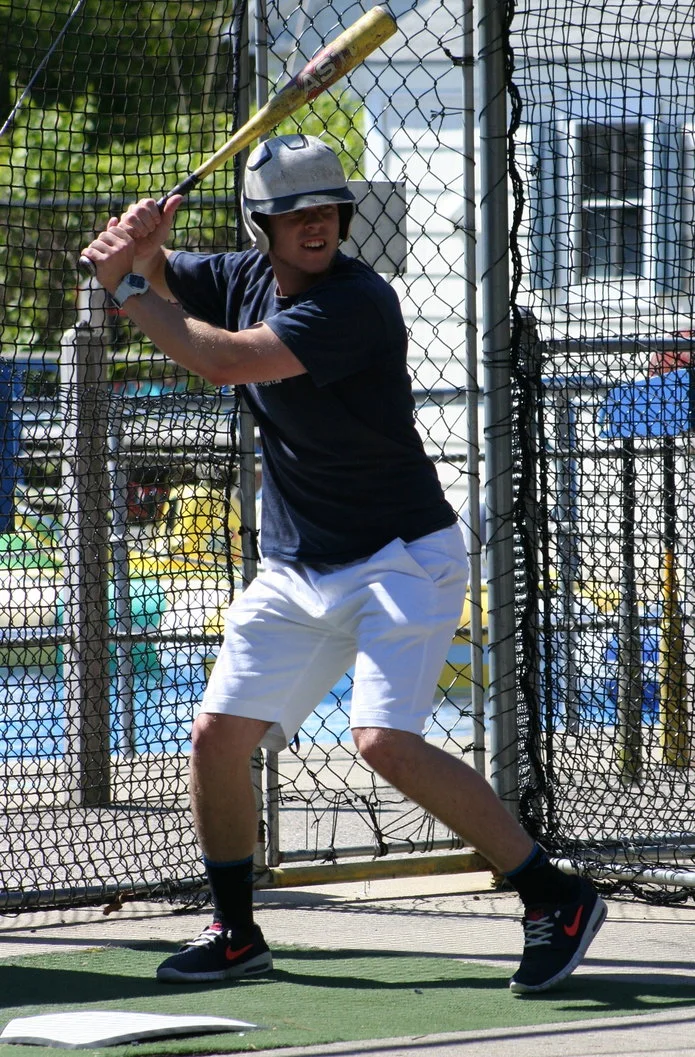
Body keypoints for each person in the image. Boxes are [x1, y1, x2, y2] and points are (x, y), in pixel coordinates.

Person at [81, 133, 606, 995]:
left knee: (383, 742)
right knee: (216, 735)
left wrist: (130, 283)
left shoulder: (357, 303)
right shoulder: (245, 275)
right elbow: (174, 279)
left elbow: (219, 359)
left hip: (401, 555)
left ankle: (553, 893)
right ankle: (236, 930)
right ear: (264, 225)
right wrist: (142, 245)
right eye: (295, 214)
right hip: (296, 561)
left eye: (326, 210)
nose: (315, 225)